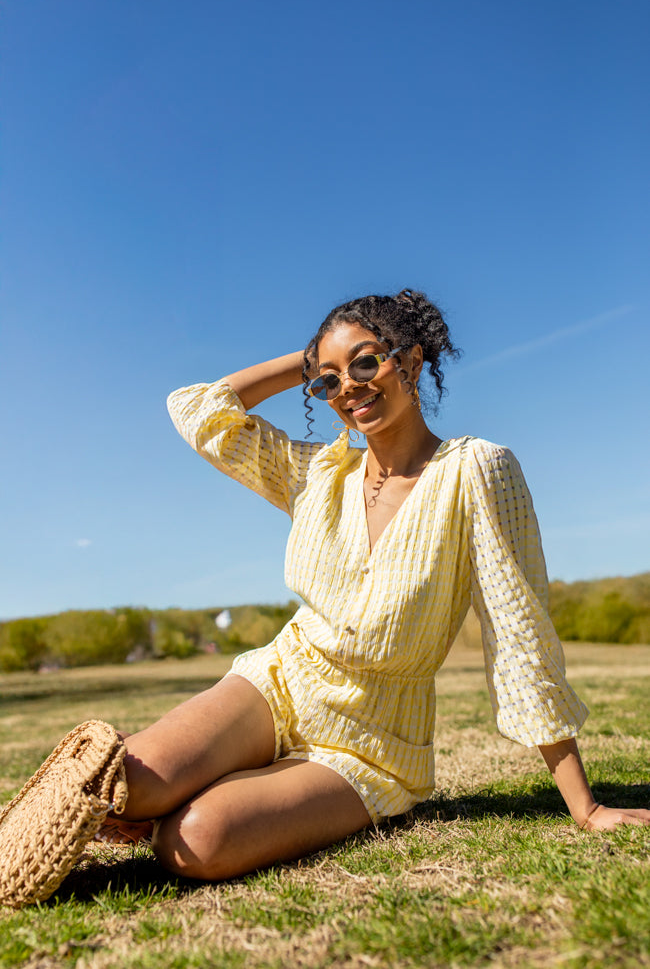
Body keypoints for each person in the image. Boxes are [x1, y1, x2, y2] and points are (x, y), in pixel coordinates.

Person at [105, 289, 650, 878]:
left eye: (367, 363)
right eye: (329, 382)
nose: (350, 388)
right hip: (280, 681)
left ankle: (215, 790)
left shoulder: (475, 470)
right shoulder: (317, 471)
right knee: (128, 784)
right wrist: (310, 360)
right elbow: (197, 410)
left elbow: (518, 630)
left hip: (372, 741)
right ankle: (193, 778)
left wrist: (585, 806)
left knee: (194, 841)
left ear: (411, 362)